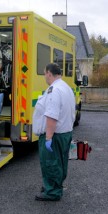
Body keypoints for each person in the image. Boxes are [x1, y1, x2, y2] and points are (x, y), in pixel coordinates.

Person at [33, 63, 75, 201]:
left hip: (54, 135)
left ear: (49, 73)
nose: (45, 76)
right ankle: (54, 186)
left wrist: (48, 138)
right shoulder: (66, 87)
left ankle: (52, 192)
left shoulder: (54, 90)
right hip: (65, 133)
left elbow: (51, 115)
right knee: (60, 162)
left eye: (45, 73)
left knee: (50, 163)